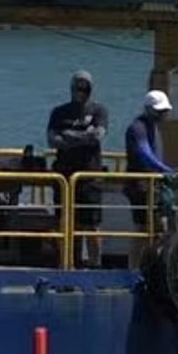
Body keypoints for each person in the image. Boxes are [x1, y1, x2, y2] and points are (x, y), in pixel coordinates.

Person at [46, 70, 108, 267]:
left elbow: (97, 136)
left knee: (91, 225)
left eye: (85, 87)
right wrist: (83, 137)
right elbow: (52, 141)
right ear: (71, 88)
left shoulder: (99, 111)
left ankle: (95, 267)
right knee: (65, 224)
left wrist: (69, 135)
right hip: (64, 178)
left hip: (90, 177)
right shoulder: (59, 112)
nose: (81, 91)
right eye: (77, 87)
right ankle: (68, 265)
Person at [123, 89, 178, 234]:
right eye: (159, 111)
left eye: (164, 111)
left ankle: (160, 255)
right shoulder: (137, 128)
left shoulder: (154, 128)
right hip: (141, 185)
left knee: (162, 224)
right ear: (148, 109)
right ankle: (138, 257)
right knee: (143, 228)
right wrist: (167, 170)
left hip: (155, 183)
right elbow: (145, 154)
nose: (162, 115)